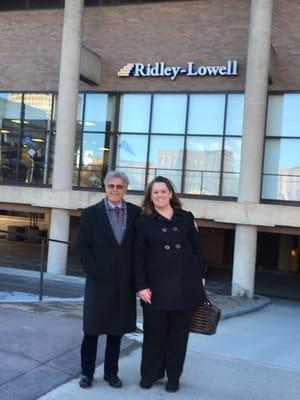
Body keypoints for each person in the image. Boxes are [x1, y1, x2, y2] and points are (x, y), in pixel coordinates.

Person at [134, 176, 206, 393]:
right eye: (155, 192)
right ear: (150, 196)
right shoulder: (144, 221)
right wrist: (141, 286)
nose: (159, 195)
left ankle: (173, 376)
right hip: (154, 290)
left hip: (185, 288)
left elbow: (198, 249)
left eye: (163, 191)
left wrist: (201, 276)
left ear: (171, 194)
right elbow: (138, 256)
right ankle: (150, 374)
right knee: (154, 335)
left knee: (178, 337)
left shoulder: (186, 218)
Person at [76, 170, 140, 389]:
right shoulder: (90, 214)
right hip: (98, 283)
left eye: (119, 186)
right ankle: (87, 373)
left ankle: (111, 373)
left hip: (124, 284)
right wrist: (94, 271)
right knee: (92, 332)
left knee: (116, 332)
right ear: (105, 187)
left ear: (125, 189)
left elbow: (139, 248)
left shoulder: (135, 213)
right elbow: (82, 248)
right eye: (111, 186)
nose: (115, 190)